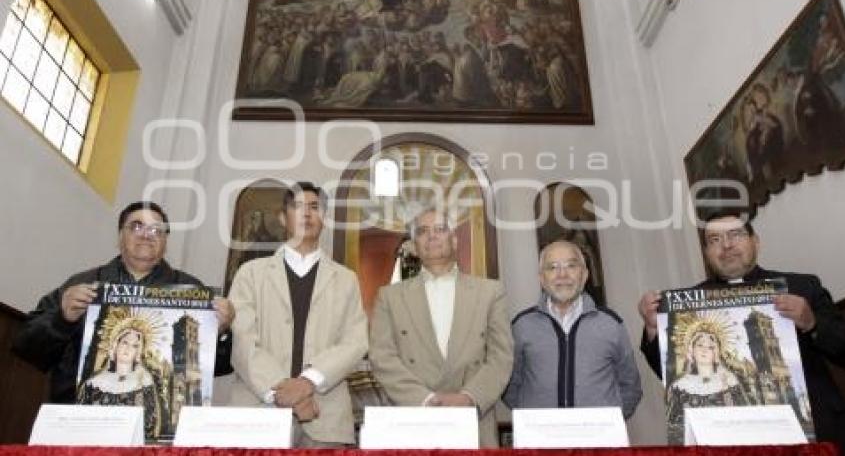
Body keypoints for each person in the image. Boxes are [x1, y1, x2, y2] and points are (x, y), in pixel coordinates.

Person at [638, 210, 845, 451]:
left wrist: (813, 324)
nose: (726, 246)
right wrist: (654, 330)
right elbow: (675, 373)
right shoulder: (687, 304)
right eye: (715, 240)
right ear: (707, 253)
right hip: (731, 440)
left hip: (819, 434)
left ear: (755, 242)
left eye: (735, 235)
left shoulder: (803, 286)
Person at [13, 201, 235, 405]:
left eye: (156, 230)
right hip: (78, 417)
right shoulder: (84, 283)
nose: (147, 235)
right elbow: (27, 348)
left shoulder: (191, 290)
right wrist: (61, 319)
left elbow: (215, 368)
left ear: (165, 241)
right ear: (120, 236)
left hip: (156, 422)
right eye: (137, 226)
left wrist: (220, 332)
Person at [227, 182, 368, 447]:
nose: (307, 214)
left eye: (314, 207)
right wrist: (280, 391)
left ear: (323, 218)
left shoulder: (346, 279)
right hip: (259, 411)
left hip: (326, 418)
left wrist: (307, 383)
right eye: (298, 207)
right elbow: (243, 341)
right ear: (283, 218)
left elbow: (355, 341)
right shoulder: (251, 273)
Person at [369, 207, 513, 447]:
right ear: (414, 246)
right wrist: (425, 400)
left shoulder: (490, 292)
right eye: (423, 232)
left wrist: (468, 398)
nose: (432, 236)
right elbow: (382, 356)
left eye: (440, 229)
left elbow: (501, 357)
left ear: (454, 240)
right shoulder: (389, 296)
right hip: (412, 418)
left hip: (473, 421)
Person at [503, 240, 642, 417]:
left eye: (571, 265)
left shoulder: (611, 324)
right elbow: (508, 385)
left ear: (584, 275)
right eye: (552, 267)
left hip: (598, 438)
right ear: (541, 279)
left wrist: (609, 421)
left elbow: (630, 385)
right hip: (541, 437)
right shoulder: (522, 326)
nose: (562, 275)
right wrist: (531, 415)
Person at [77, 320, 164, 439]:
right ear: (115, 344)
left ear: (138, 352)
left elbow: (149, 426)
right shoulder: (93, 384)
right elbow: (80, 423)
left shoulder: (144, 383)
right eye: (125, 342)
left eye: (135, 346)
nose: (128, 348)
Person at [665, 323, 751, 441]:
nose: (704, 350)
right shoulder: (680, 386)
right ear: (692, 350)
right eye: (700, 345)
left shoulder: (730, 381)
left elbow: (745, 418)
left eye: (710, 347)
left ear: (716, 353)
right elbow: (672, 426)